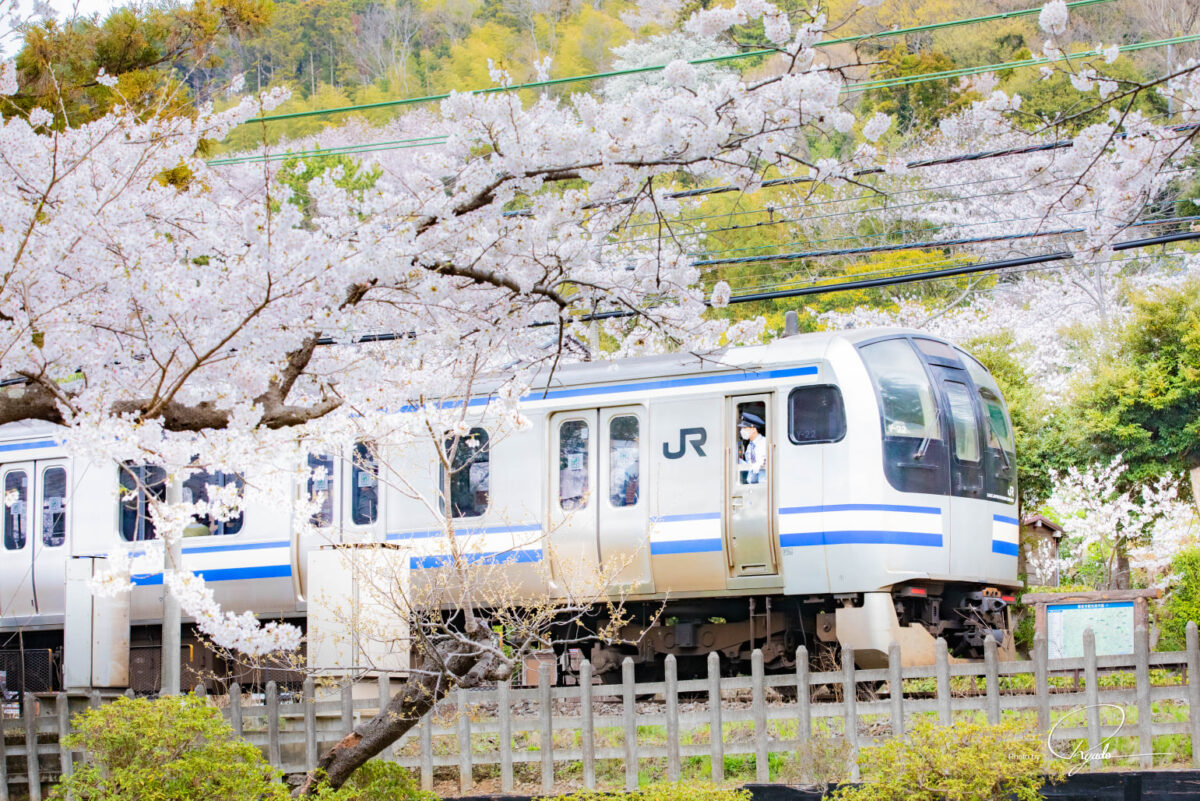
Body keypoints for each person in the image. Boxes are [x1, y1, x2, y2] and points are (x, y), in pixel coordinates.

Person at [738, 412, 766, 484]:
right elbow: (750, 464)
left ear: (753, 429)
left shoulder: (764, 443)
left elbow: (765, 463)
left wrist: (759, 464)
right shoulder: (750, 446)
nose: (742, 430)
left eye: (745, 428)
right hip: (752, 485)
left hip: (763, 484)